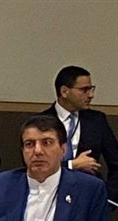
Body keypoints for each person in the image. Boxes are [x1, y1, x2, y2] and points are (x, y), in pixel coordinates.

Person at [40, 65, 118, 204]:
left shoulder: (97, 120)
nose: (91, 95)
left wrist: (109, 199)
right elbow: (35, 166)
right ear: (64, 91)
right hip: (50, 197)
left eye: (91, 89)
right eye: (84, 90)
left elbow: (116, 163)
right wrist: (71, 165)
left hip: (90, 197)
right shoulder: (40, 122)